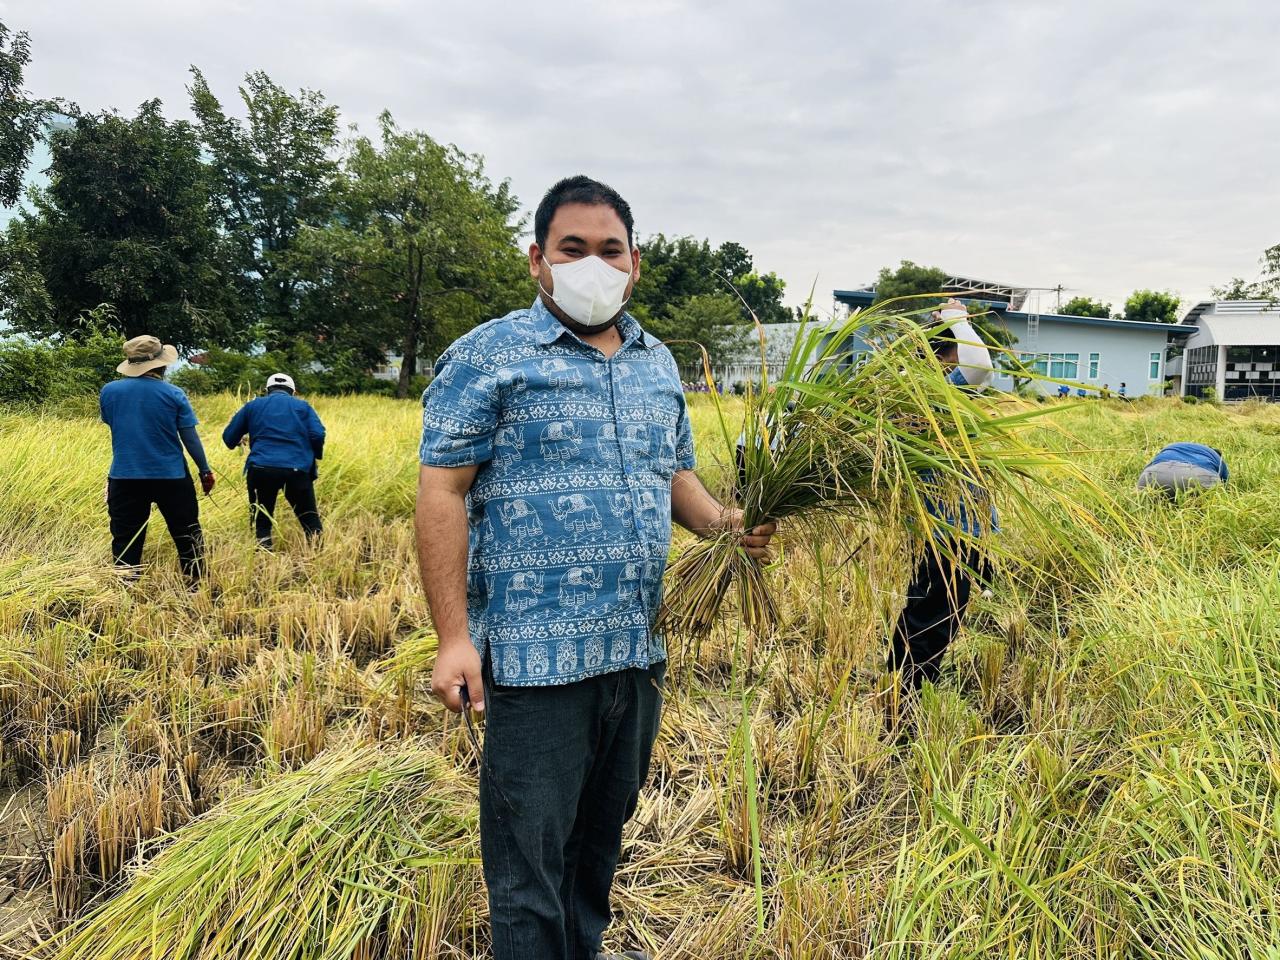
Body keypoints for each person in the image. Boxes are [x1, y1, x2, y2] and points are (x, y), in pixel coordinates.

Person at [417, 175, 775, 960]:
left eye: (608, 250)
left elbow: (672, 473)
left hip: (635, 653)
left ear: (635, 262)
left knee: (595, 856)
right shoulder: (490, 355)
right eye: (571, 249)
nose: (592, 265)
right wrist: (452, 638)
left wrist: (722, 525)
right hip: (535, 659)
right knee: (527, 873)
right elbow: (441, 492)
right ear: (537, 261)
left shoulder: (656, 362)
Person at [888, 301, 995, 693]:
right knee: (933, 616)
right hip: (948, 527)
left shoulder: (917, 395)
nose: (961, 358)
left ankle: (904, 685)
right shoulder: (936, 395)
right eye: (955, 351)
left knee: (929, 610)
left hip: (951, 526)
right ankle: (908, 696)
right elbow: (980, 367)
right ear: (941, 357)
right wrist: (957, 320)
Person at [99, 335, 213, 582]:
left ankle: (126, 586)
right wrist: (204, 470)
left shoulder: (109, 391)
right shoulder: (174, 393)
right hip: (171, 475)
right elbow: (190, 438)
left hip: (124, 474)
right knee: (186, 532)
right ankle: (194, 584)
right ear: (161, 365)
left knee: (125, 536)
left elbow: (112, 422)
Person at [221, 373, 326, 550]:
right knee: (309, 518)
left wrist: (240, 441)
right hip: (297, 468)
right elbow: (318, 434)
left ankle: (263, 557)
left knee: (262, 520)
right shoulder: (303, 407)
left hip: (261, 468)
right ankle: (318, 556)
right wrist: (312, 456)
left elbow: (229, 437)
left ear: (267, 390)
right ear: (293, 391)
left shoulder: (252, 406)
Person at [1137, 442, 1228, 495]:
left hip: (1151, 476)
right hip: (1196, 477)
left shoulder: (1172, 446)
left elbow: (1148, 466)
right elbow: (1225, 484)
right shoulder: (1216, 456)